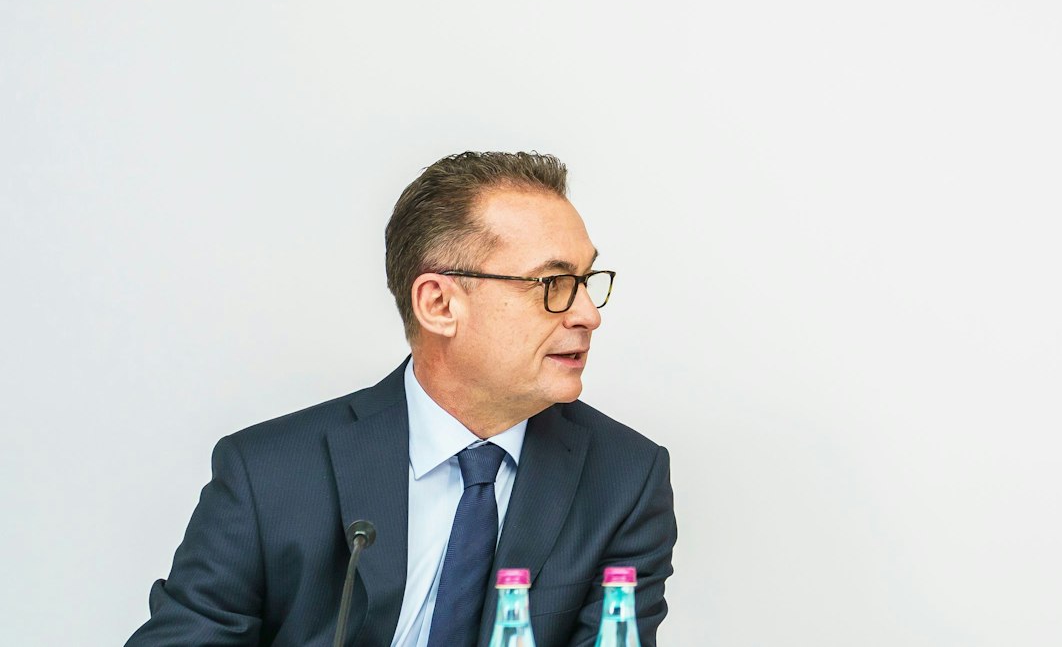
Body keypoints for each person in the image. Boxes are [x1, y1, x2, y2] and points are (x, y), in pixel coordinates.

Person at [126, 151, 676, 647]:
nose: (588, 313)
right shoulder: (270, 473)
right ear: (438, 303)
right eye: (552, 284)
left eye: (585, 280)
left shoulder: (624, 478)